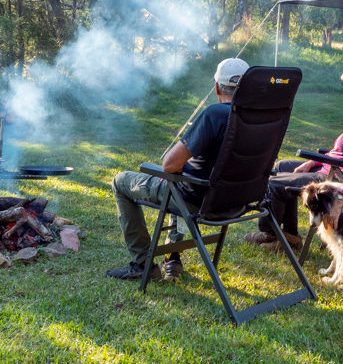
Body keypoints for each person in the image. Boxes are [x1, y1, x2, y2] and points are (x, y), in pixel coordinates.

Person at [106, 58, 251, 282]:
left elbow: (169, 164)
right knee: (181, 180)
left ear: (216, 87)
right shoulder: (260, 119)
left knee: (121, 181)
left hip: (200, 201)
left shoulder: (215, 115)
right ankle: (173, 257)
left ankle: (143, 264)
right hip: (238, 202)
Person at [245, 64, 343, 251]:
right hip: (332, 169)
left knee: (273, 184)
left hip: (335, 179)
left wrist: (341, 197)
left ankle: (271, 234)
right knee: (281, 167)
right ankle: (290, 235)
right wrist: (315, 161)